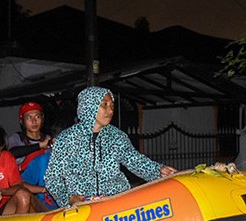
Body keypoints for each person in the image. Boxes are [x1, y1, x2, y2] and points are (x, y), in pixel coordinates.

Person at [44, 86, 177, 206]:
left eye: (112, 105)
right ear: (89, 105)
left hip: (115, 203)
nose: (110, 110)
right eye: (104, 104)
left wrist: (158, 171)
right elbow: (52, 177)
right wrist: (68, 198)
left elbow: (135, 160)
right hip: (83, 207)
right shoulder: (67, 139)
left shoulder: (116, 136)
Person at [6, 101, 58, 209]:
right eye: (29, 117)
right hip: (24, 186)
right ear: (22, 121)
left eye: (37, 117)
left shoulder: (49, 138)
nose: (34, 121)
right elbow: (11, 153)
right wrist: (40, 146)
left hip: (45, 186)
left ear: (42, 119)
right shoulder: (17, 138)